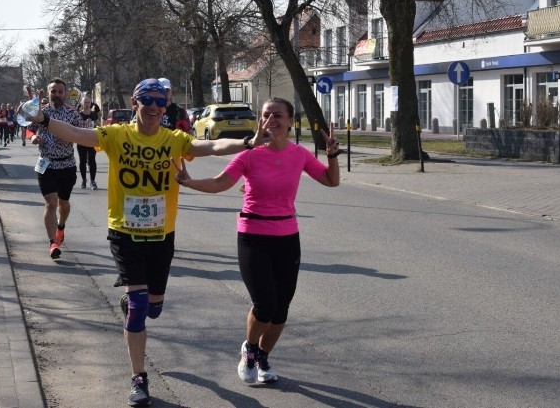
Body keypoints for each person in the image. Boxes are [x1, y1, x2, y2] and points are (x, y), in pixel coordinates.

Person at [19, 78, 272, 407]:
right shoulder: (117, 135)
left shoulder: (174, 139)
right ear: (135, 103)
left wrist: (248, 143)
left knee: (153, 308)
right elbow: (78, 135)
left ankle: (133, 305)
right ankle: (139, 377)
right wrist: (42, 120)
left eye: (160, 102)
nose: (154, 106)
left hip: (162, 235)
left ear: (165, 107)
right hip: (124, 232)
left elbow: (210, 147)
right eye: (147, 100)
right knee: (139, 308)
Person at [172, 97, 340, 385]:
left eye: (277, 115)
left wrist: (332, 156)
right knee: (264, 304)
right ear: (259, 121)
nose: (271, 120)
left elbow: (330, 181)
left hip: (287, 237)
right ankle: (249, 350)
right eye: (266, 115)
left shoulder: (298, 154)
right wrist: (189, 183)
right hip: (253, 235)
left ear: (290, 121)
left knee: (281, 309)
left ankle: (263, 356)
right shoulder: (249, 154)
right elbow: (220, 182)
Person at [28, 79, 83, 260]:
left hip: (66, 164)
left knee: (63, 203)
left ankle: (61, 227)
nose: (57, 95)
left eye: (60, 91)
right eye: (54, 91)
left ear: (65, 94)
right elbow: (29, 130)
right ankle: (52, 243)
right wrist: (34, 137)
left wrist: (70, 138)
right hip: (45, 164)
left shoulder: (72, 114)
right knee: (51, 203)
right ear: (48, 93)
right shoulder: (41, 112)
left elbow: (81, 134)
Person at [77, 95, 100, 190]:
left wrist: (93, 123)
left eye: (88, 102)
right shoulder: (78, 114)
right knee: (82, 161)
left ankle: (92, 181)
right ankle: (84, 179)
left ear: (91, 104)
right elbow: (75, 126)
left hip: (91, 139)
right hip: (81, 139)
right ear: (82, 104)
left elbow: (99, 124)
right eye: (85, 102)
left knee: (92, 160)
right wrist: (84, 123)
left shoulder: (94, 114)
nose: (86, 104)